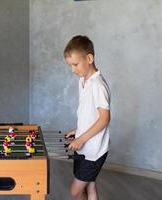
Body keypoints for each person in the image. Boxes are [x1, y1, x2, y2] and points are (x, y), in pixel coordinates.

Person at [63, 35, 111, 200]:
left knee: (75, 191)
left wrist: (82, 138)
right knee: (90, 187)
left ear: (89, 58)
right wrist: (78, 130)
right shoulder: (83, 81)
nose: (73, 70)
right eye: (70, 65)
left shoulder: (98, 85)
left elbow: (104, 119)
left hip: (94, 151)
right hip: (84, 146)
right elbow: (90, 114)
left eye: (75, 64)